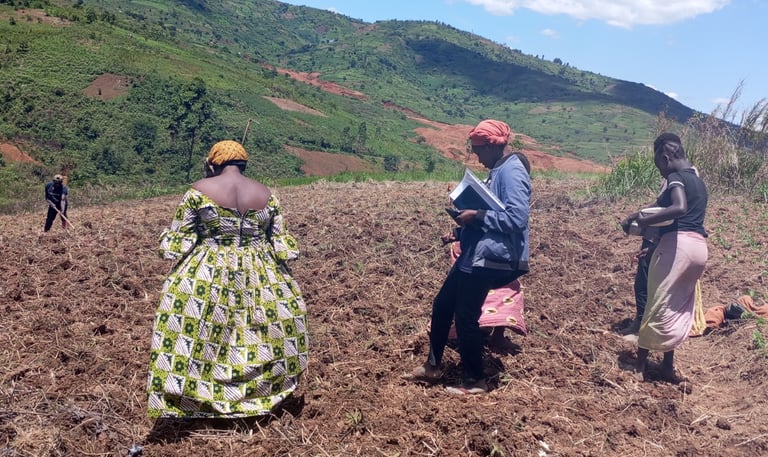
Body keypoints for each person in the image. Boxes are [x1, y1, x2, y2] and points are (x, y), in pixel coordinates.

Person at [147, 140, 308, 418]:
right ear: (244, 164)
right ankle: (259, 396)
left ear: (213, 163)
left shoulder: (197, 192)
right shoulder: (267, 194)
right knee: (258, 331)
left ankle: (198, 398)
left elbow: (176, 244)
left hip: (208, 269)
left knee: (198, 331)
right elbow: (282, 244)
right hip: (261, 272)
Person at [406, 120, 531, 394]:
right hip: (475, 254)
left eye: (478, 150)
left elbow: (517, 218)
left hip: (491, 258)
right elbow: (492, 216)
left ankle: (475, 380)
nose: (476, 155)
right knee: (442, 305)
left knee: (465, 316)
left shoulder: (512, 172)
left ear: (492, 145)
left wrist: (477, 215)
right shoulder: (498, 170)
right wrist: (460, 231)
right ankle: (433, 366)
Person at [621, 133, 708, 383]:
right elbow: (676, 212)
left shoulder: (675, 177)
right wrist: (651, 237)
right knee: (678, 306)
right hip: (698, 249)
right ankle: (667, 366)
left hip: (677, 247)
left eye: (659, 165)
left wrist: (644, 220)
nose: (660, 171)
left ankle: (639, 366)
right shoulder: (698, 181)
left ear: (666, 157)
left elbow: (678, 208)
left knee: (656, 304)